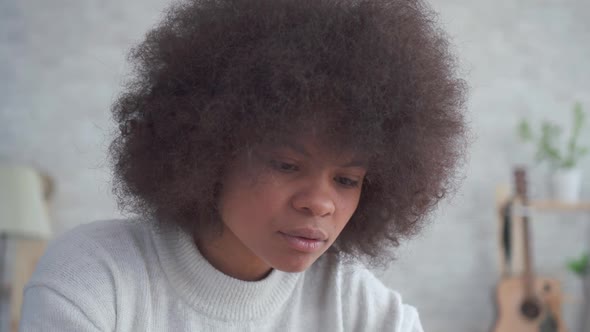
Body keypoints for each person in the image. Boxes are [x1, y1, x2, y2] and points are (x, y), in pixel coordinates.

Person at [19, 0, 468, 330]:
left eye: (347, 179)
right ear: (208, 149)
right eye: (287, 165)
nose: (320, 203)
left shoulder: (357, 306)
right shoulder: (97, 276)